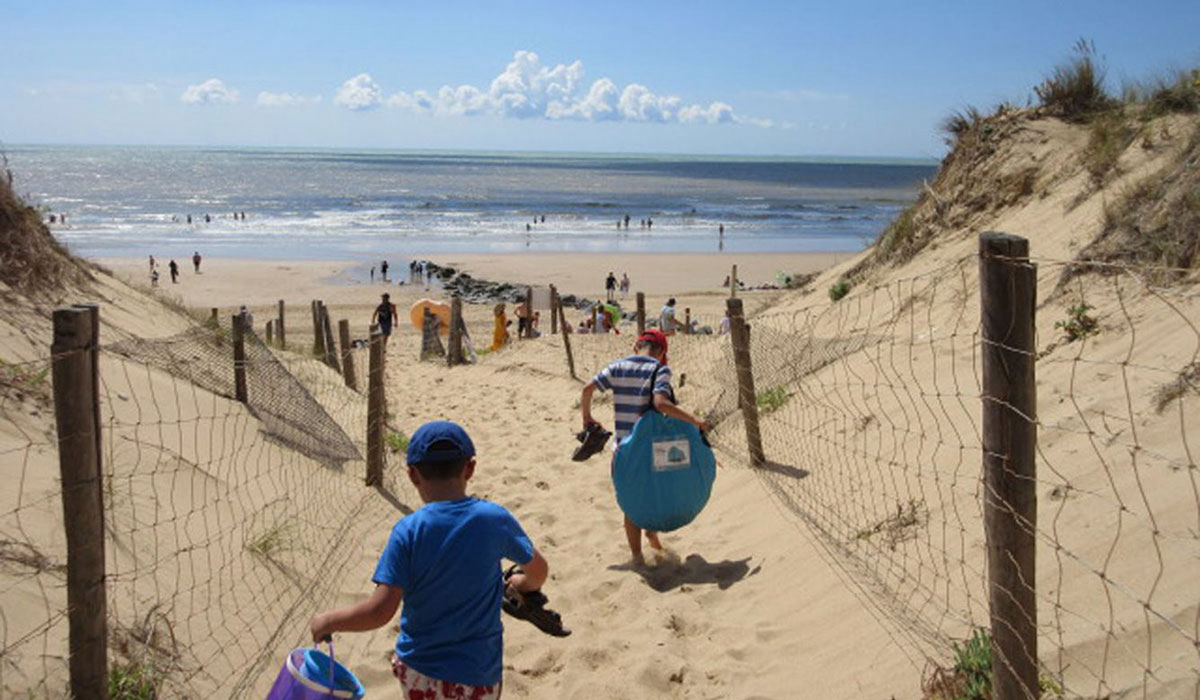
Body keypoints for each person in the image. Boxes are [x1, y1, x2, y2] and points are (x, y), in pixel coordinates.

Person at [309, 421, 552, 699]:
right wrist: (520, 583)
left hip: (420, 672)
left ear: (413, 475)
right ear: (470, 469)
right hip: (478, 675)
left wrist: (328, 621)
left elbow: (379, 612)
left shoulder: (408, 531)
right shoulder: (495, 519)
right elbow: (539, 571)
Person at [578, 329, 711, 565]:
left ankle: (637, 557)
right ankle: (652, 534)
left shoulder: (617, 366)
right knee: (656, 488)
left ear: (635, 347)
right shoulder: (660, 369)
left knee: (631, 503)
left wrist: (587, 419)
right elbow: (660, 404)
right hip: (654, 449)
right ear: (661, 352)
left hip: (624, 451)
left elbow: (587, 389)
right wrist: (695, 421)